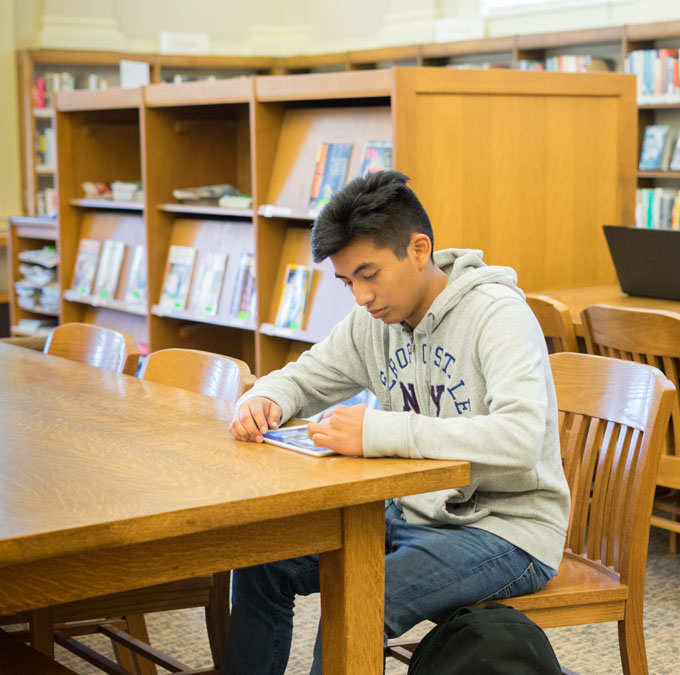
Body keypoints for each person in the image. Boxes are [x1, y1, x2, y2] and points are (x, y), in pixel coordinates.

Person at [225, 170, 570, 674]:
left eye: (369, 274)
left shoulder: (498, 315)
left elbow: (519, 439)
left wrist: (379, 432)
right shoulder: (374, 322)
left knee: (357, 605)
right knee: (260, 562)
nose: (361, 297)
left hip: (507, 531)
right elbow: (307, 375)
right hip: (409, 515)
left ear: (418, 249)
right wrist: (267, 398)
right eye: (348, 282)